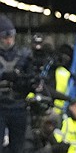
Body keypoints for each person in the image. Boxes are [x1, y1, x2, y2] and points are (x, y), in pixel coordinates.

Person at [0, 15, 32, 153]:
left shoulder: (23, 55)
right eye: (4, 37)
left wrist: (26, 82)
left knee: (18, 146)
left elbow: (31, 77)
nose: (8, 41)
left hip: (18, 104)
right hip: (1, 105)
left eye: (10, 37)